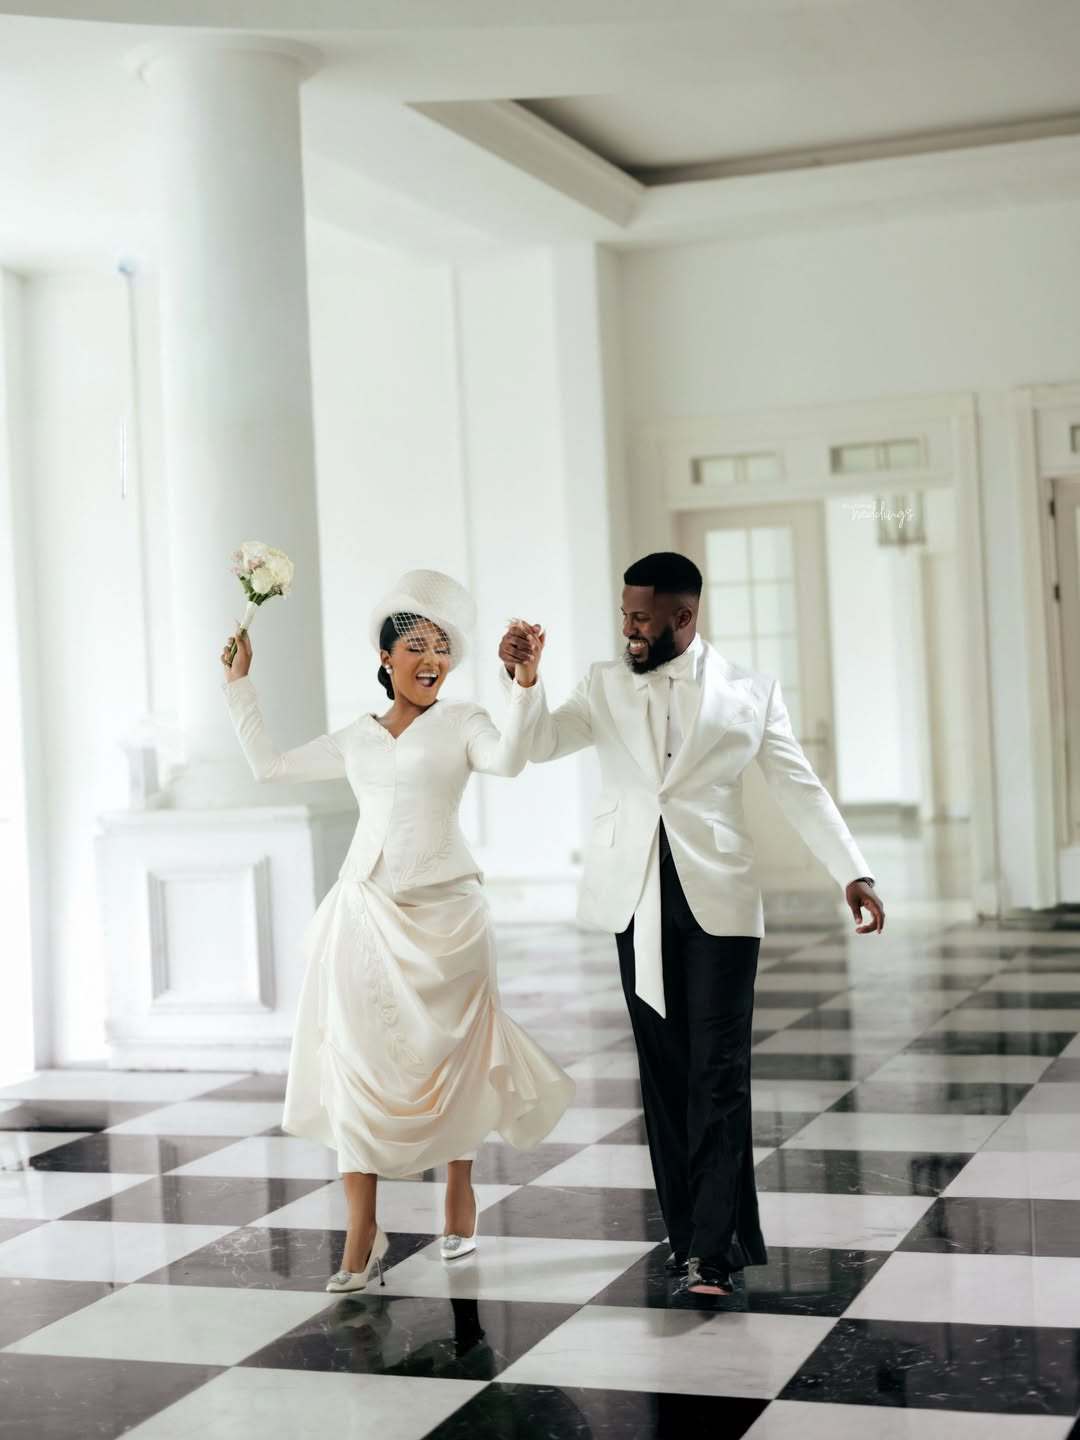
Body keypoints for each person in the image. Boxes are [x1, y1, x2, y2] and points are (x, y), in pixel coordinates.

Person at [498, 551, 884, 1298]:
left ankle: (712, 1253)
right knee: (666, 1073)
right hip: (634, 895)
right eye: (624, 615)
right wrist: (525, 682)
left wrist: (853, 870)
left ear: (684, 615)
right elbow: (537, 745)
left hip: (722, 901)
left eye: (641, 618)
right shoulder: (603, 684)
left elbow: (798, 785)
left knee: (718, 1070)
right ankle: (692, 1239)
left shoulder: (749, 692)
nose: (628, 629)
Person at [220, 568, 574, 1295]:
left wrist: (524, 683)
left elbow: (509, 760)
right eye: (416, 646)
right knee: (357, 1060)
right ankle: (362, 1232)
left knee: (455, 1058)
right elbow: (269, 767)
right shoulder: (358, 736)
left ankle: (459, 1190)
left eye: (442, 647)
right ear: (385, 658)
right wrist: (239, 685)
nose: (431, 659)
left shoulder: (467, 721)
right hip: (365, 912)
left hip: (451, 917)